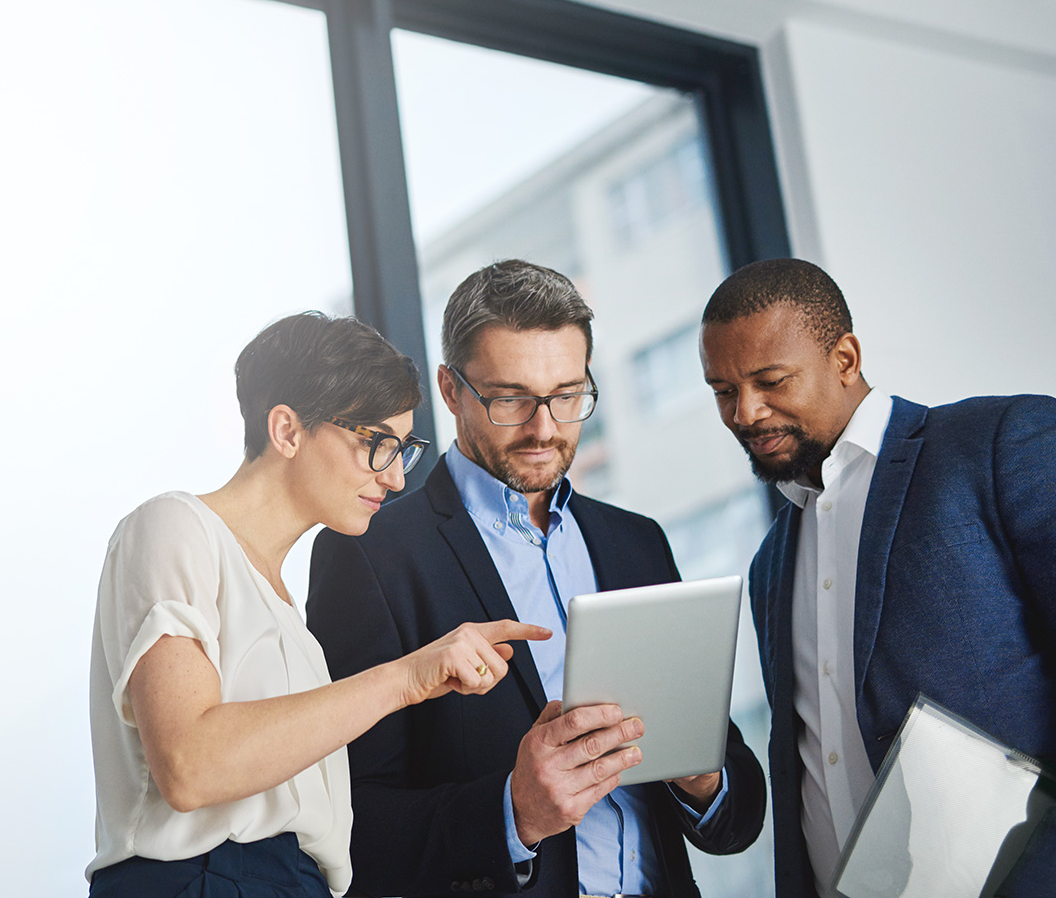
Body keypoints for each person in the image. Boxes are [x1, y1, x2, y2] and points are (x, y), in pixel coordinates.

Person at [307, 260, 766, 898]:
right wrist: (511, 812)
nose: (545, 427)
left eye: (568, 395)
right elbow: (345, 825)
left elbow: (737, 819)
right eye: (510, 399)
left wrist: (701, 780)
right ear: (450, 390)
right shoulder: (369, 556)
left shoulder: (636, 543)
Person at [87, 311, 549, 898]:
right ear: (287, 431)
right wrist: (406, 679)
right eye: (378, 444)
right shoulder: (174, 525)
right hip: (203, 881)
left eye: (403, 450)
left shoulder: (289, 616)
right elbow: (190, 763)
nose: (397, 478)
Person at [698, 258, 1056, 898]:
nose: (746, 413)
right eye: (724, 391)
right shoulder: (769, 565)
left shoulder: (999, 444)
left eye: (770, 381)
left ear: (845, 357)